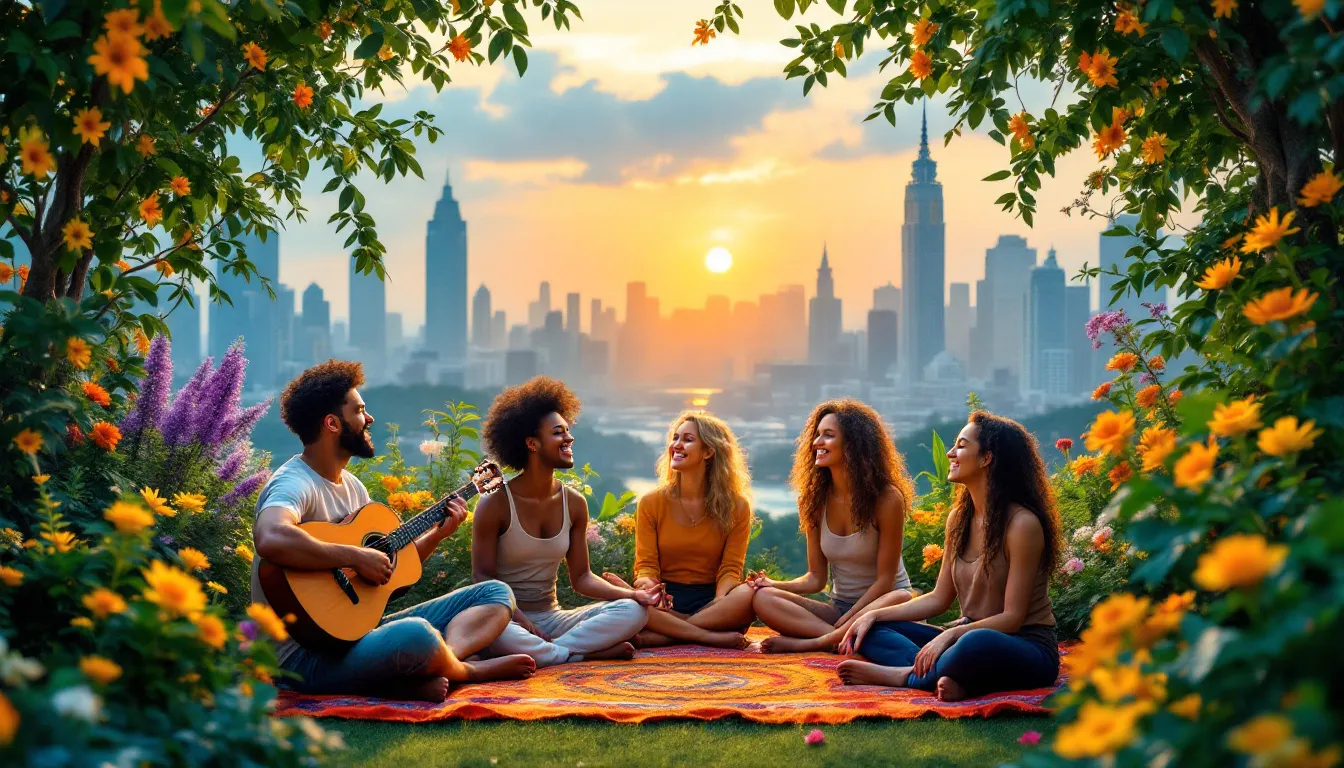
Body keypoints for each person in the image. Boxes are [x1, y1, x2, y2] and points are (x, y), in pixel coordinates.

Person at [252, 361, 535, 703]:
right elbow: (271, 538)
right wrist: (355, 555)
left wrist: (438, 534)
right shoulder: (293, 482)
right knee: (415, 635)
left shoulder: (354, 488)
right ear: (331, 423)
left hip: (358, 635)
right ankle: (465, 671)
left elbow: (388, 565)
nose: (368, 419)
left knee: (494, 593)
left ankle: (436, 664)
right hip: (304, 659)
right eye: (359, 410)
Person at [835, 410, 1063, 702]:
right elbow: (939, 598)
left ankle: (906, 676)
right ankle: (950, 678)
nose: (951, 452)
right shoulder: (959, 519)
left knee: (974, 642)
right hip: (965, 639)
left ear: (987, 458)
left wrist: (950, 635)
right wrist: (872, 614)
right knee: (875, 628)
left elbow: (1013, 618)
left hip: (1024, 647)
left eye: (962, 445)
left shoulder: (1022, 524)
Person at [474, 377, 659, 667]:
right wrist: (519, 620)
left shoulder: (573, 503)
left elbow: (582, 578)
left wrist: (634, 594)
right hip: (507, 619)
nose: (569, 439)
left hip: (554, 618)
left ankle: (553, 653)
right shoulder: (495, 504)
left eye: (568, 431)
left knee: (634, 611)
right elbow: (482, 579)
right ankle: (579, 654)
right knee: (493, 632)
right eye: (558, 433)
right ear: (532, 444)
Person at [749, 399, 915, 654]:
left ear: (853, 444)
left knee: (901, 597)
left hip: (883, 605)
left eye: (828, 435)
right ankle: (841, 640)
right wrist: (772, 584)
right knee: (763, 599)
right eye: (817, 435)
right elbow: (815, 579)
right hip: (839, 608)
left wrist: (850, 619)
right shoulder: (813, 500)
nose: (817, 443)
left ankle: (818, 641)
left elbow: (886, 581)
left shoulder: (887, 499)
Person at [603, 411, 757, 649]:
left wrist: (719, 601)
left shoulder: (737, 506)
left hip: (712, 598)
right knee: (632, 605)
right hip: (667, 598)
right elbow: (646, 565)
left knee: (749, 594)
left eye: (687, 439)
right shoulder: (651, 502)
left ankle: (668, 633)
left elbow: (730, 568)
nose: (676, 445)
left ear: (709, 452)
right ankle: (707, 635)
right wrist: (650, 589)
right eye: (675, 438)